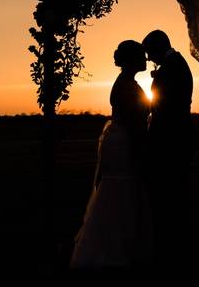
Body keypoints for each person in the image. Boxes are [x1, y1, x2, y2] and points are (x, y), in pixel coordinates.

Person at [69, 40, 154, 269]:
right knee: (120, 189)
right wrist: (142, 151)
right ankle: (113, 247)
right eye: (141, 56)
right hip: (124, 142)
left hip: (121, 139)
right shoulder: (126, 86)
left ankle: (121, 244)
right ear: (131, 60)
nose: (145, 60)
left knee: (122, 190)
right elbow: (134, 123)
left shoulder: (127, 82)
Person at [142, 29, 199, 268]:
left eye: (149, 53)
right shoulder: (172, 64)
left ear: (158, 47)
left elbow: (169, 106)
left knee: (174, 192)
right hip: (171, 138)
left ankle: (176, 245)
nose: (148, 59)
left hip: (173, 139)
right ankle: (174, 239)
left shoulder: (174, 66)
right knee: (171, 192)